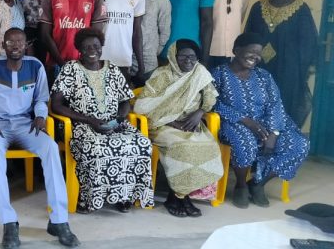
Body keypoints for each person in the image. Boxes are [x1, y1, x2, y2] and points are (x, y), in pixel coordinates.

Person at [0, 28, 78, 248]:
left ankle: (59, 220)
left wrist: (40, 116)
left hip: (26, 124)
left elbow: (41, 98)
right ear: (3, 45)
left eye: (20, 42)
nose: (15, 46)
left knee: (49, 147)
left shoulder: (35, 65)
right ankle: (9, 222)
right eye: (10, 42)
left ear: (26, 44)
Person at [50, 28, 154, 213]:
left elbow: (125, 101)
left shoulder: (112, 68)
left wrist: (119, 118)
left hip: (115, 124)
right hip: (83, 126)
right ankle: (89, 198)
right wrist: (88, 120)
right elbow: (56, 105)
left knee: (141, 144)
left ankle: (124, 195)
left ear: (101, 47)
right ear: (79, 49)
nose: (92, 50)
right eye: (87, 47)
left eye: (96, 46)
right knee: (98, 148)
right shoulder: (71, 69)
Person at [212, 32, 309, 208]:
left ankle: (258, 184)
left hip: (270, 122)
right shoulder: (219, 74)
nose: (255, 57)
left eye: (259, 54)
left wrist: (274, 132)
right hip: (235, 123)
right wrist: (246, 120)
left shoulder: (264, 76)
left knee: (298, 144)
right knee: (245, 142)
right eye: (251, 52)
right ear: (236, 50)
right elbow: (212, 103)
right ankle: (241, 185)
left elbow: (275, 103)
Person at [134, 39, 223, 218]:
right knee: (182, 148)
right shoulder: (161, 75)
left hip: (191, 123)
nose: (188, 60)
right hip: (161, 125)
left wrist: (200, 112)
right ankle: (177, 197)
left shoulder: (200, 73)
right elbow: (142, 106)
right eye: (183, 56)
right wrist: (171, 121)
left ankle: (181, 197)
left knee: (210, 147)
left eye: (192, 57)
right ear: (174, 56)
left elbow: (210, 98)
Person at [245, 0, 318, 127]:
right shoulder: (258, 7)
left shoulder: (300, 9)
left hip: (288, 70)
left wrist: (301, 71)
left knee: (286, 105)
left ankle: (283, 143)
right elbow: (248, 38)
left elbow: (307, 42)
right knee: (260, 102)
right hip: (260, 67)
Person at [39, 0, 104, 83]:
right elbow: (44, 35)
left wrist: (83, 62)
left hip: (86, 65)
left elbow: (96, 35)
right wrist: (62, 63)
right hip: (56, 64)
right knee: (56, 103)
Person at [91, 0, 145, 78]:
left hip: (123, 60)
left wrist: (141, 65)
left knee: (121, 98)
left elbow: (137, 31)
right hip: (97, 58)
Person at [126, 0, 171, 81]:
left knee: (146, 97)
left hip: (148, 63)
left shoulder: (160, 0)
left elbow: (165, 31)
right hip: (124, 59)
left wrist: (153, 52)